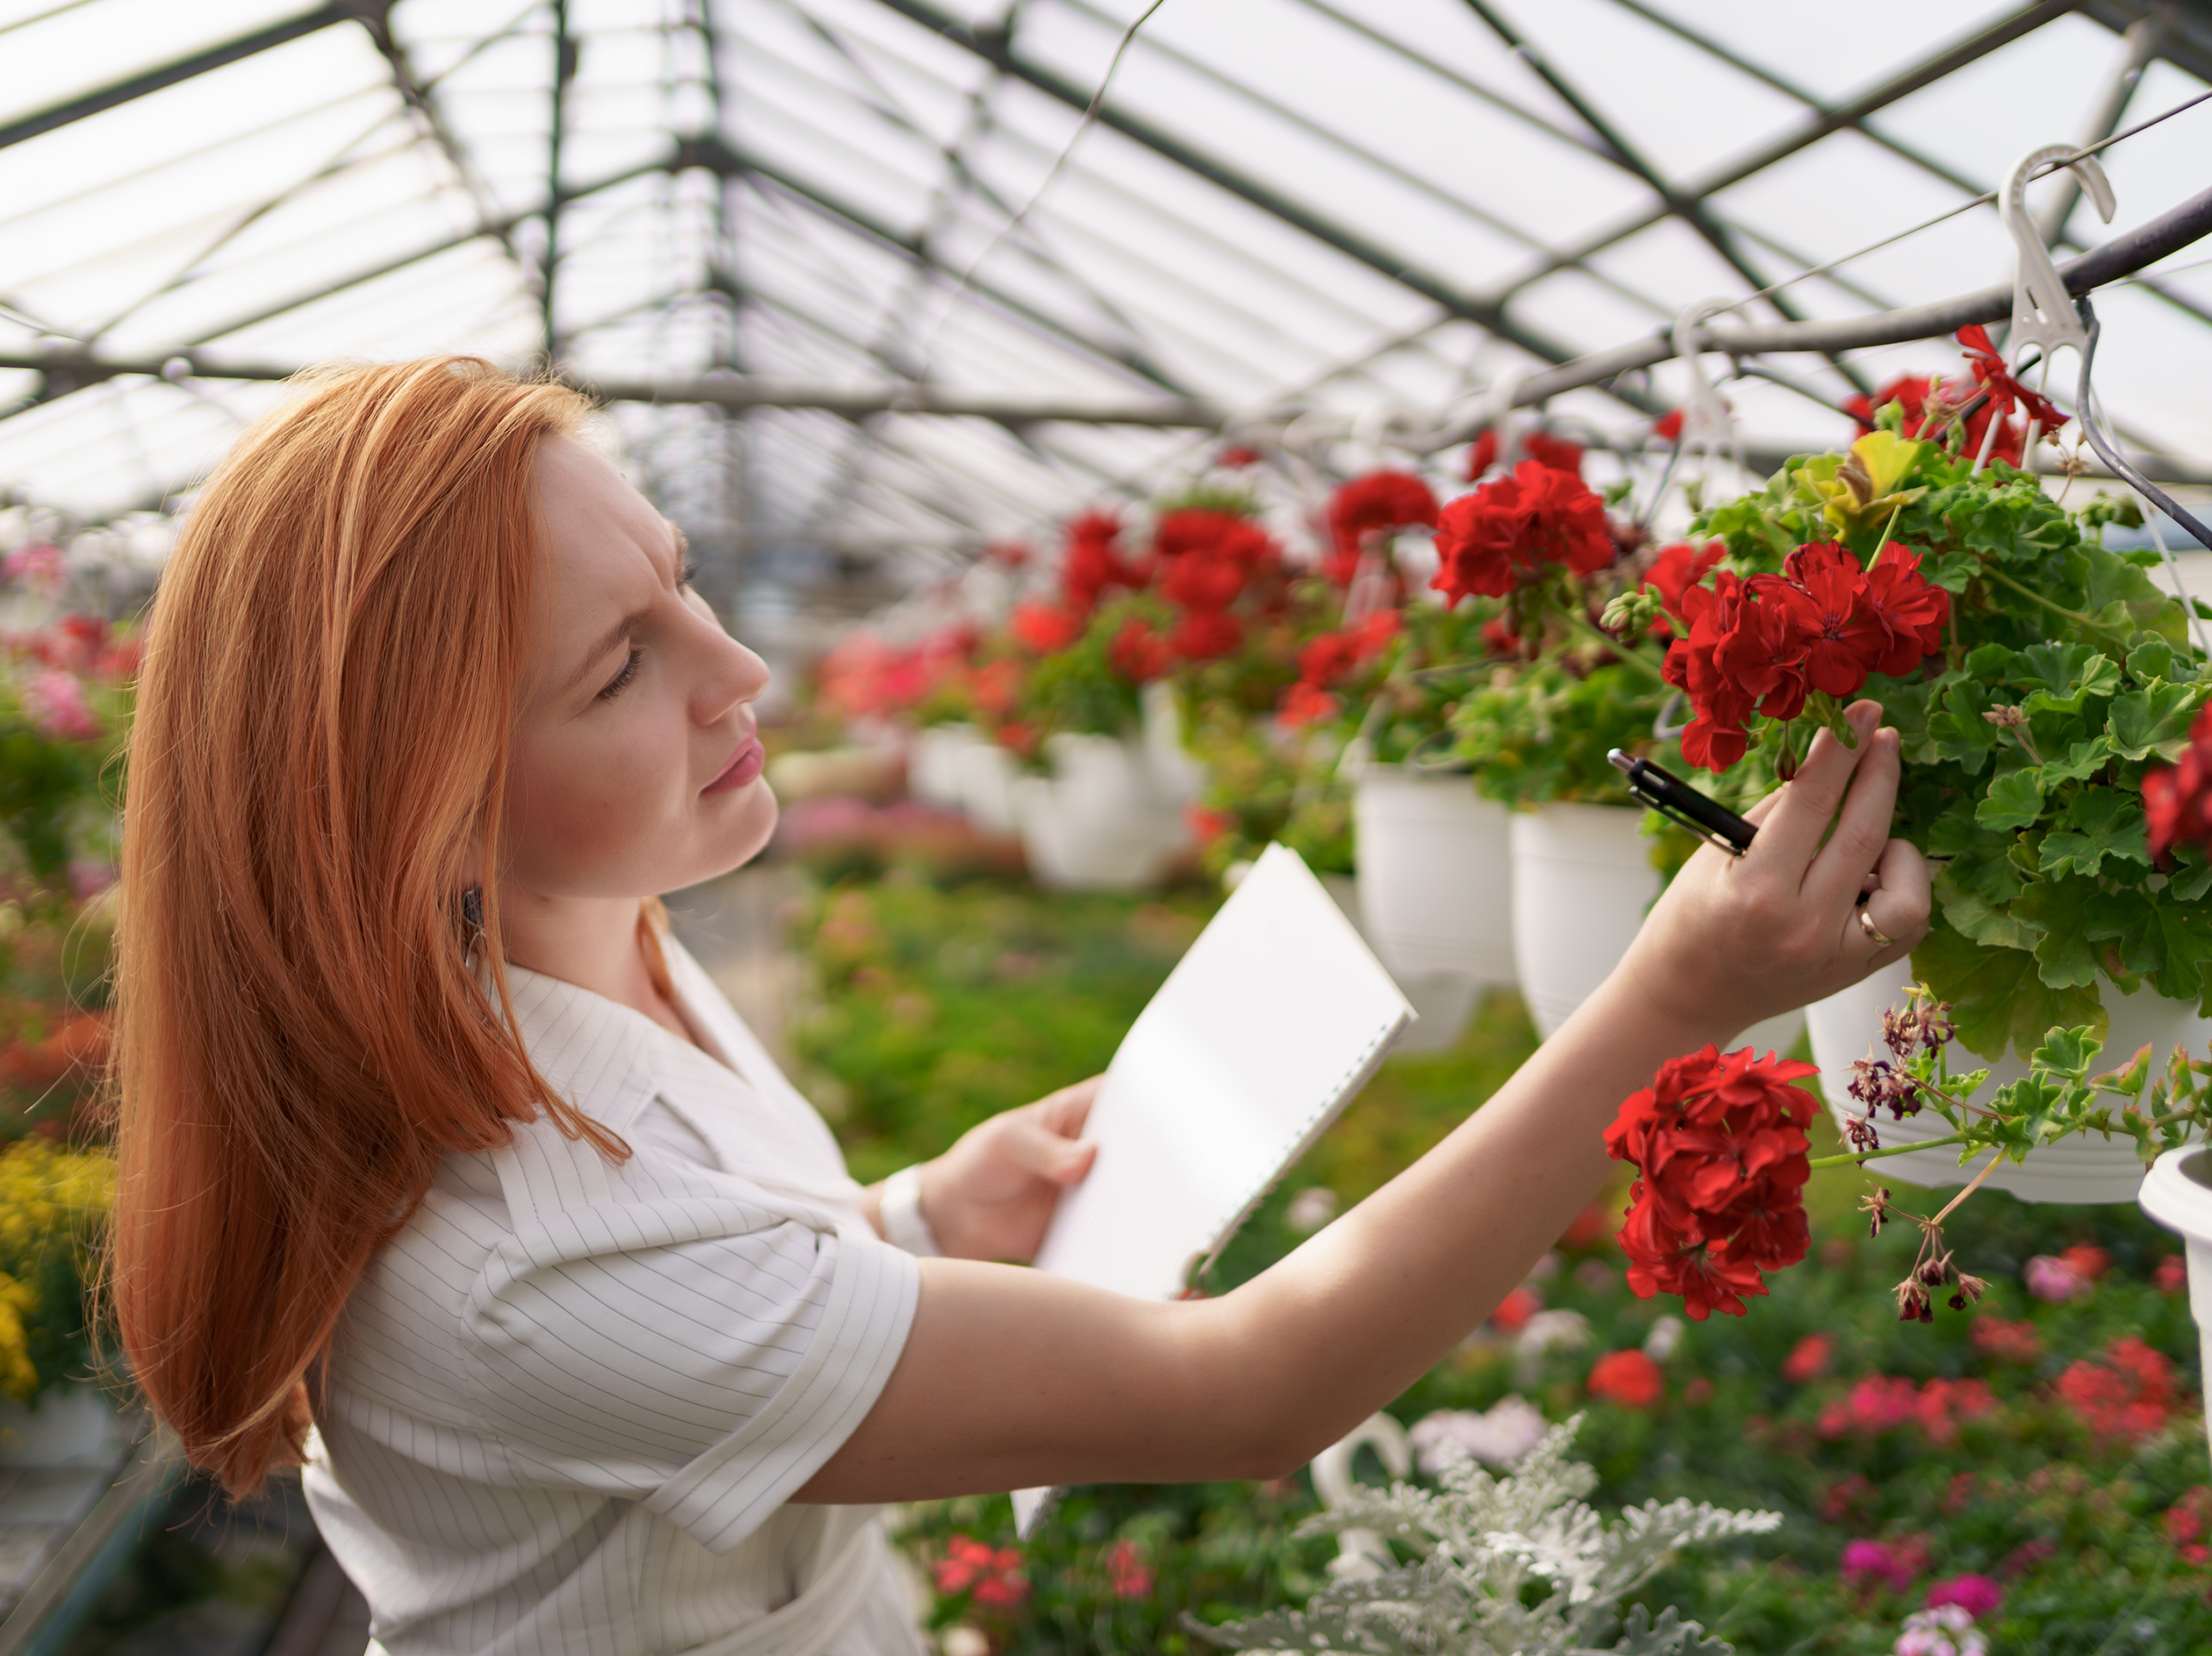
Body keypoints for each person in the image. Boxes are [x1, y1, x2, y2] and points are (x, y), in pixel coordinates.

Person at [111, 359, 1930, 1656]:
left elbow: (697, 1260)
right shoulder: (516, 1245)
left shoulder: (596, 942)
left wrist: (910, 1220)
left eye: (679, 581)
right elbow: (1253, 1388)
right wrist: (1676, 994)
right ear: (426, 799)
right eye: (621, 666)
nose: (740, 670)